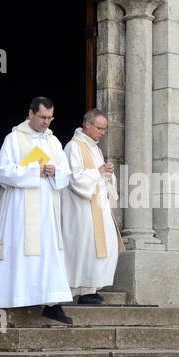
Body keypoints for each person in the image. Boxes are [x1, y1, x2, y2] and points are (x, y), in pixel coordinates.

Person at [0, 96, 74, 324]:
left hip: (47, 207)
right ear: (31, 114)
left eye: (50, 118)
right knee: (20, 249)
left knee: (49, 252)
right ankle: (16, 297)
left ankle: (52, 302)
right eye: (43, 117)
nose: (46, 122)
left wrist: (55, 172)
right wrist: (35, 171)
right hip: (21, 208)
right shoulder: (14, 139)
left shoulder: (54, 142)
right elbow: (3, 171)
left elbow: (66, 172)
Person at [61, 108, 123, 305]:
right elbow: (74, 178)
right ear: (87, 124)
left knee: (106, 245)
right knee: (85, 246)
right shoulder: (74, 147)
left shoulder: (94, 148)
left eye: (105, 129)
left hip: (98, 206)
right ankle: (78, 289)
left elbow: (101, 176)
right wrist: (98, 172)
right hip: (81, 208)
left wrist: (108, 174)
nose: (102, 133)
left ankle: (91, 288)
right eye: (99, 128)